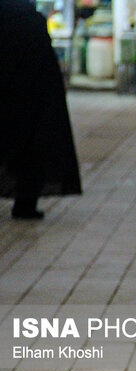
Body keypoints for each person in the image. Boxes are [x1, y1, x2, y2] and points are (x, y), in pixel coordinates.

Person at [0, 0, 82, 219]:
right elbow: (49, 70)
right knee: (31, 151)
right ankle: (25, 204)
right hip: (32, 100)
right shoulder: (33, 21)